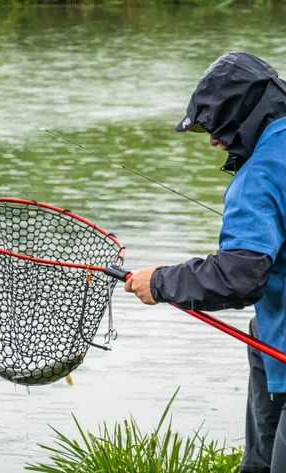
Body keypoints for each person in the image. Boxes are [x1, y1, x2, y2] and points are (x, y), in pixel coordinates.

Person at [125, 51, 286, 473]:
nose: (213, 140)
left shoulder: (261, 174)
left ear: (241, 114)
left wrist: (159, 282)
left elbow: (241, 275)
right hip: (270, 339)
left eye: (212, 125)